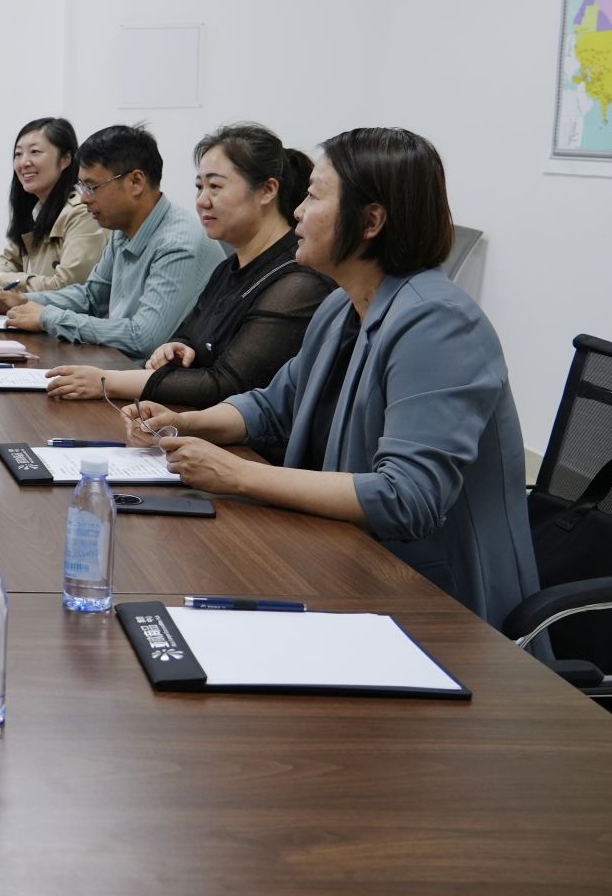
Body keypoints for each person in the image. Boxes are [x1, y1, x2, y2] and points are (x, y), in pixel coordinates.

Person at [125, 127, 538, 626]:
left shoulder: (440, 324)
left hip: (432, 602)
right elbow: (274, 405)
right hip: (341, 561)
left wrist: (237, 475)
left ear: (370, 221)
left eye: (315, 197)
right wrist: (186, 423)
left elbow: (408, 498)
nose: (298, 211)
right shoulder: (341, 306)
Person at [44, 123, 334, 441]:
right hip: (197, 432)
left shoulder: (297, 282)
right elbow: (188, 336)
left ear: (267, 191)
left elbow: (225, 384)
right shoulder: (229, 267)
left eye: (215, 187)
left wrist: (106, 381)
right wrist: (174, 348)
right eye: (199, 187)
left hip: (248, 450)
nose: (202, 201)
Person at [0, 124, 210, 359]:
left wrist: (47, 317)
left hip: (155, 376)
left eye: (92, 187)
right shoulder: (122, 229)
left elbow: (144, 338)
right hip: (122, 365)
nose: (84, 199)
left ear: (135, 182)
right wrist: (22, 300)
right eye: (82, 187)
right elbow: (91, 297)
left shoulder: (177, 244)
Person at [0, 117, 107, 296]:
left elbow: (69, 287)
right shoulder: (37, 208)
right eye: (18, 154)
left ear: (65, 159)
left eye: (35, 152)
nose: (23, 163)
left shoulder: (83, 212)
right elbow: (10, 259)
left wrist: (0, 280)